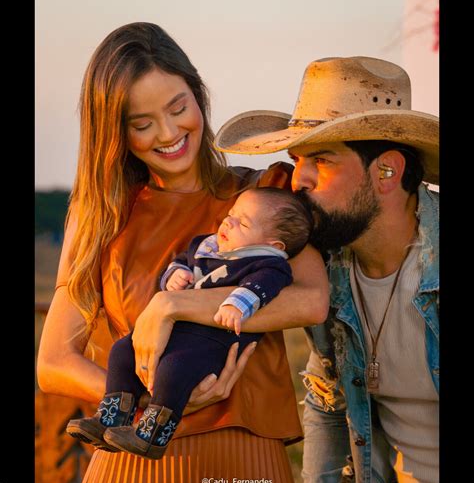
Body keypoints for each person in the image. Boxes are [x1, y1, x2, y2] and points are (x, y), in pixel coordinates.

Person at [36, 22, 330, 483]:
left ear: (199, 95)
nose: (169, 133)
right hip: (128, 461)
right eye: (142, 123)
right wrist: (153, 394)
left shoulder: (262, 199)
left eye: (178, 108)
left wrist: (173, 304)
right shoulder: (99, 215)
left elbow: (311, 300)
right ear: (116, 131)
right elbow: (52, 362)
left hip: (244, 459)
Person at [214, 56, 439, 483]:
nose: (299, 180)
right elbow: (329, 402)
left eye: (321, 159)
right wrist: (169, 305)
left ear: (388, 172)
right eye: (297, 159)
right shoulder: (329, 266)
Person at [66, 186, 313, 460]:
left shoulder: (267, 265)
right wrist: (176, 275)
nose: (228, 222)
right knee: (123, 351)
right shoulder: (207, 246)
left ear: (273, 245)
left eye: (242, 222)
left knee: (175, 368)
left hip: (212, 343)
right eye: (231, 214)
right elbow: (182, 261)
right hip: (178, 333)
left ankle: (153, 433)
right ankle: (111, 416)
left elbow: (262, 287)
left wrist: (236, 305)